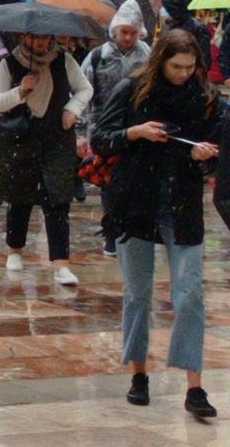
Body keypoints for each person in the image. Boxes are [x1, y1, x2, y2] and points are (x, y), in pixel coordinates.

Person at [91, 29, 217, 417]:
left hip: (182, 205)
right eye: (176, 66)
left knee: (190, 294)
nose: (183, 73)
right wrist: (136, 132)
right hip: (135, 203)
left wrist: (204, 157)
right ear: (160, 60)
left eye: (190, 67)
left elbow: (217, 155)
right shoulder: (133, 91)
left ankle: (194, 386)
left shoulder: (205, 99)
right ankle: (138, 373)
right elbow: (100, 138)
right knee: (137, 295)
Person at [0, 30, 91, 284]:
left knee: (57, 197)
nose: (41, 43)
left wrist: (71, 109)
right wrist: (20, 91)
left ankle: (61, 264)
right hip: (20, 137)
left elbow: (84, 89)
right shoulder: (8, 63)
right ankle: (15, 249)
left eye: (45, 37)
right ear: (24, 37)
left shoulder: (64, 60)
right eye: (35, 38)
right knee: (20, 195)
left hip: (57, 137)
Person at [85, 0, 152, 254]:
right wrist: (83, 133)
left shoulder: (146, 55)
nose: (128, 37)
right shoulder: (98, 56)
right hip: (105, 126)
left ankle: (129, 227)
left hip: (137, 127)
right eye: (124, 32)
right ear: (114, 31)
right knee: (107, 181)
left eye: (133, 32)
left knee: (132, 179)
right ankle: (112, 229)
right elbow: (85, 91)